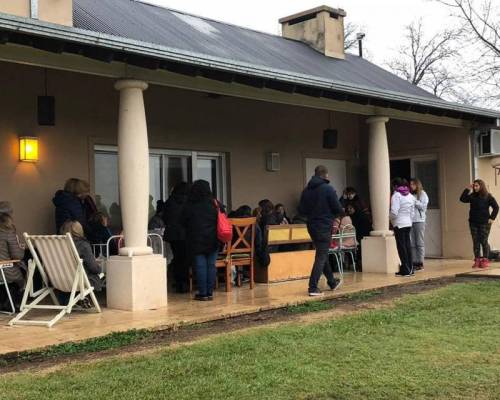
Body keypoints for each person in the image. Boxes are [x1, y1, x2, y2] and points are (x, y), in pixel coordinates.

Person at [299, 165, 343, 296]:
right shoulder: (328, 189)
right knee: (321, 256)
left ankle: (332, 282)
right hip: (324, 225)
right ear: (326, 175)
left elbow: (301, 210)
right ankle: (313, 287)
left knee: (322, 253)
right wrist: (338, 214)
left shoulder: (306, 191)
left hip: (311, 226)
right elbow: (337, 208)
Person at [181, 180, 219, 301]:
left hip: (196, 239)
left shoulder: (190, 204)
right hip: (213, 239)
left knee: (200, 266)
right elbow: (223, 217)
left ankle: (202, 293)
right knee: (211, 266)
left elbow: (182, 221)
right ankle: (210, 292)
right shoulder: (215, 203)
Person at [460, 179, 499, 268]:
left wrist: (492, 218)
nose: (475, 187)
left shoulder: (488, 196)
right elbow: (462, 199)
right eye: (474, 186)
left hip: (485, 223)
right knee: (475, 241)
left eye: (477, 186)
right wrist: (467, 189)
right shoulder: (472, 196)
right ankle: (477, 259)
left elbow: (496, 207)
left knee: (483, 240)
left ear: (481, 186)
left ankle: (485, 259)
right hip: (473, 222)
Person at [60, 220, 104, 295]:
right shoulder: (83, 245)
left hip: (61, 280)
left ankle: (70, 298)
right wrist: (99, 268)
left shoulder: (60, 245)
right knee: (96, 272)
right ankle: (82, 298)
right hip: (79, 281)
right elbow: (93, 268)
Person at [163, 182, 190, 293]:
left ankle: (179, 283)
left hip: (173, 235)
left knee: (177, 258)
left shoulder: (169, 202)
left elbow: (165, 217)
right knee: (184, 259)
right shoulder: (189, 201)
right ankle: (185, 283)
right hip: (185, 234)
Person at [0, 213, 26, 310]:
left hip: (3, 271)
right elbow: (17, 255)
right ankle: (15, 302)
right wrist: (21, 247)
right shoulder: (7, 232)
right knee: (27, 271)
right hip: (5, 270)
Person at [390, 178, 416, 277]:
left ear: (395, 186)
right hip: (408, 223)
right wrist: (410, 220)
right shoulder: (410, 195)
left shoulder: (396, 195)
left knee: (401, 247)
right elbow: (412, 212)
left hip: (399, 224)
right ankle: (411, 268)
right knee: (407, 246)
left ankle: (405, 269)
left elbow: (394, 212)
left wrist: (390, 219)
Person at [410, 178, 429, 271]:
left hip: (419, 221)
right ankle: (414, 262)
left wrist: (414, 200)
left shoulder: (422, 194)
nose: (411, 186)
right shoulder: (410, 195)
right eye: (410, 184)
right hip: (411, 221)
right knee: (412, 243)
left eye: (413, 184)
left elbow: (423, 207)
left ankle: (420, 263)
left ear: (417, 185)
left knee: (419, 243)